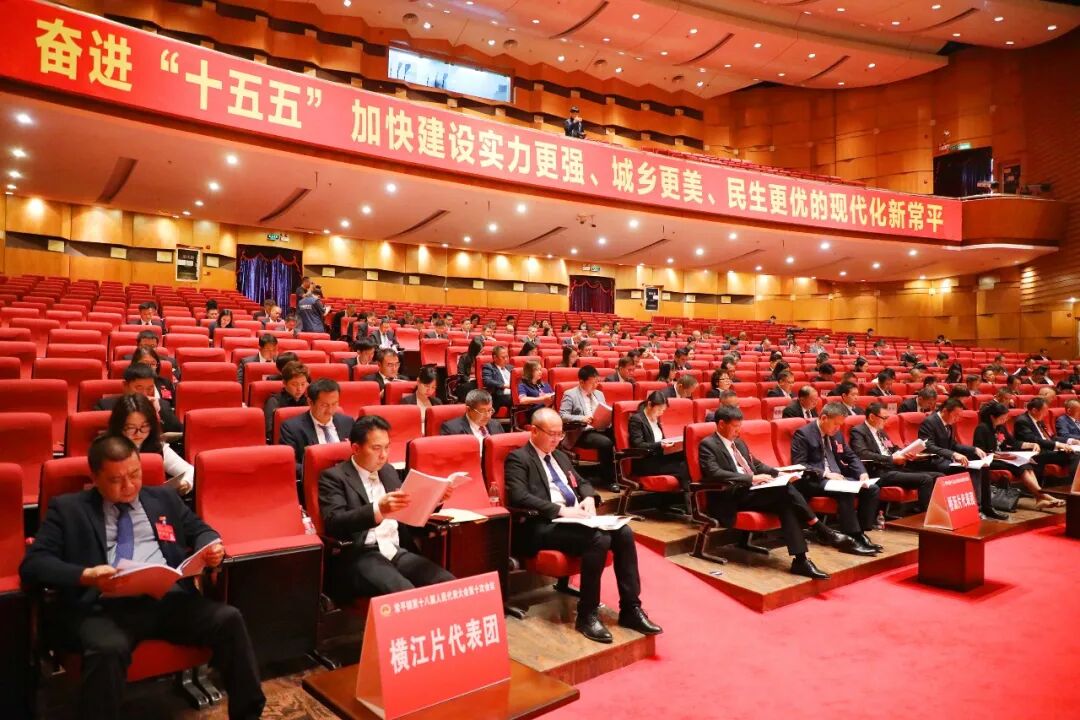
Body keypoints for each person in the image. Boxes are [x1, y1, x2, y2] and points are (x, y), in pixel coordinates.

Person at [19, 435, 264, 720]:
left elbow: (201, 530)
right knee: (108, 649)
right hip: (104, 608)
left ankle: (249, 715)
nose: (129, 485)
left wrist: (211, 547)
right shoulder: (68, 509)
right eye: (116, 480)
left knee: (229, 618)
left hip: (167, 599)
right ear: (95, 478)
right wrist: (86, 575)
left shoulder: (163, 498)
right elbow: (34, 564)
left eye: (135, 474)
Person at [504, 408, 661, 643]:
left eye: (560, 434)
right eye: (552, 434)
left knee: (624, 532)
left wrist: (588, 497)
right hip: (542, 524)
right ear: (534, 431)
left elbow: (582, 482)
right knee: (599, 539)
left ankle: (630, 608)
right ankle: (587, 614)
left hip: (573, 520)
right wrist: (560, 510)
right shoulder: (519, 458)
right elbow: (519, 496)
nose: (557, 439)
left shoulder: (560, 456)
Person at [699, 406, 851, 578]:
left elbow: (757, 465)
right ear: (721, 424)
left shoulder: (739, 442)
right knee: (784, 490)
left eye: (740, 426)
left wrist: (780, 474)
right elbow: (714, 472)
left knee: (785, 503)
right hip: (731, 496)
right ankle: (820, 529)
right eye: (735, 427)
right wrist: (751, 478)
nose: (738, 430)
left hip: (752, 492)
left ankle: (801, 560)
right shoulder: (708, 444)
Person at [319, 416, 455, 599]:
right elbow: (334, 522)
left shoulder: (388, 471)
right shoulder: (334, 477)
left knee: (448, 584)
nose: (383, 455)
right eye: (376, 448)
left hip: (396, 550)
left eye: (387, 447)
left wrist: (435, 500)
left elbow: (408, 514)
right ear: (356, 448)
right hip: (362, 555)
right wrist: (378, 510)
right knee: (406, 594)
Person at [790, 403, 882, 555]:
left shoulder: (836, 434)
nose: (838, 428)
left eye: (840, 425)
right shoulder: (803, 434)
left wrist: (862, 473)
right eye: (835, 424)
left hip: (837, 478)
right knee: (845, 490)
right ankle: (850, 538)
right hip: (813, 480)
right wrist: (825, 473)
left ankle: (861, 532)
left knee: (872, 489)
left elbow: (851, 456)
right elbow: (800, 464)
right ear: (824, 418)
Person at [918, 397, 1004, 520]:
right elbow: (929, 446)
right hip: (934, 461)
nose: (957, 418)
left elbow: (953, 445)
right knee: (972, 469)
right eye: (956, 415)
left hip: (947, 460)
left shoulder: (949, 424)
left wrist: (973, 449)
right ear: (945, 411)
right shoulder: (929, 422)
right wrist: (953, 454)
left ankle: (987, 506)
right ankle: (976, 508)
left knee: (981, 465)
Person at [973, 402, 1066, 511]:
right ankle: (1043, 496)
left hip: (1003, 458)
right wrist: (1002, 456)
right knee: (1020, 465)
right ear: (992, 417)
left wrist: (1031, 445)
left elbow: (1013, 442)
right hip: (990, 460)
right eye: (1002, 418)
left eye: (1005, 418)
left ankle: (1039, 497)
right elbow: (980, 452)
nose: (1004, 420)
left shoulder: (1000, 427)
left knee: (1025, 464)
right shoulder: (982, 428)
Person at [849, 403, 939, 513]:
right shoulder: (858, 431)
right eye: (884, 418)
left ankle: (936, 511)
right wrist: (891, 459)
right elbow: (863, 454)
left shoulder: (880, 431)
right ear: (872, 417)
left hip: (894, 468)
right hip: (878, 471)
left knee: (938, 476)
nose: (886, 421)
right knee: (925, 479)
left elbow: (892, 448)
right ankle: (924, 514)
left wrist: (905, 453)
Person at [106, 393, 194, 495]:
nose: (138, 433)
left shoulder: (156, 446)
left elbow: (190, 471)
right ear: (119, 426)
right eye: (131, 428)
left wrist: (185, 483)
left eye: (144, 426)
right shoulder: (106, 449)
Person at [280, 378, 355, 479]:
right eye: (324, 405)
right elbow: (290, 464)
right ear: (310, 402)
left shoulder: (347, 422)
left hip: (348, 479)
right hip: (316, 480)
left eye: (334, 404)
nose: (330, 411)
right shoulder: (291, 428)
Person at [627, 392, 691, 506]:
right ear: (649, 404)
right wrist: (660, 445)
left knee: (687, 458)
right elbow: (638, 444)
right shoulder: (637, 419)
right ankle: (689, 504)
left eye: (663, 410)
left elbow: (661, 440)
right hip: (646, 461)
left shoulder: (655, 419)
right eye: (659, 409)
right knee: (684, 467)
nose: (661, 412)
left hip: (659, 457)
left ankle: (682, 503)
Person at [559, 365, 615, 489]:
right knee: (606, 443)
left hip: (601, 427)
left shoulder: (599, 394)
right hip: (582, 432)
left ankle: (619, 474)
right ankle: (609, 480)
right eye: (592, 383)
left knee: (622, 437)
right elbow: (562, 416)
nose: (595, 385)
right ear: (581, 382)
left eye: (597, 382)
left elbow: (603, 410)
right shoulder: (570, 394)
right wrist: (581, 418)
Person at [96, 363, 182, 434]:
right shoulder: (105, 406)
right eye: (139, 388)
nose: (144, 394)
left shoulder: (162, 404)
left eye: (150, 388)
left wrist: (157, 413)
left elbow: (179, 432)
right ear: (125, 386)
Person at [1012, 396, 1079, 483]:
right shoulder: (1022, 421)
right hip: (1036, 453)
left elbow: (1050, 437)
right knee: (1075, 454)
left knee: (1074, 452)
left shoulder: (1038, 419)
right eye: (1044, 411)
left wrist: (1070, 441)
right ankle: (1075, 484)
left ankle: (1072, 483)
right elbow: (1033, 439)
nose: (1046, 414)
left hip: (1047, 450)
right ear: (1034, 410)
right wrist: (1057, 445)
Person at [263, 361, 309, 439]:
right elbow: (270, 433)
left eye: (303, 384)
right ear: (284, 383)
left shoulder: (309, 401)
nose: (299, 389)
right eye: (294, 384)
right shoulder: (274, 401)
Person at [517, 359, 554, 425]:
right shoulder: (523, 385)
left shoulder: (545, 385)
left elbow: (553, 397)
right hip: (535, 413)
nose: (540, 372)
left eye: (540, 370)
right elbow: (522, 400)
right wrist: (542, 399)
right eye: (537, 370)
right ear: (529, 371)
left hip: (549, 410)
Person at [482, 344, 513, 413]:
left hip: (514, 392)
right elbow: (487, 381)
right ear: (495, 357)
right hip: (500, 395)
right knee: (514, 398)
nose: (506, 359)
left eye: (507, 357)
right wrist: (504, 385)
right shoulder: (489, 367)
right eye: (503, 357)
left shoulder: (511, 368)